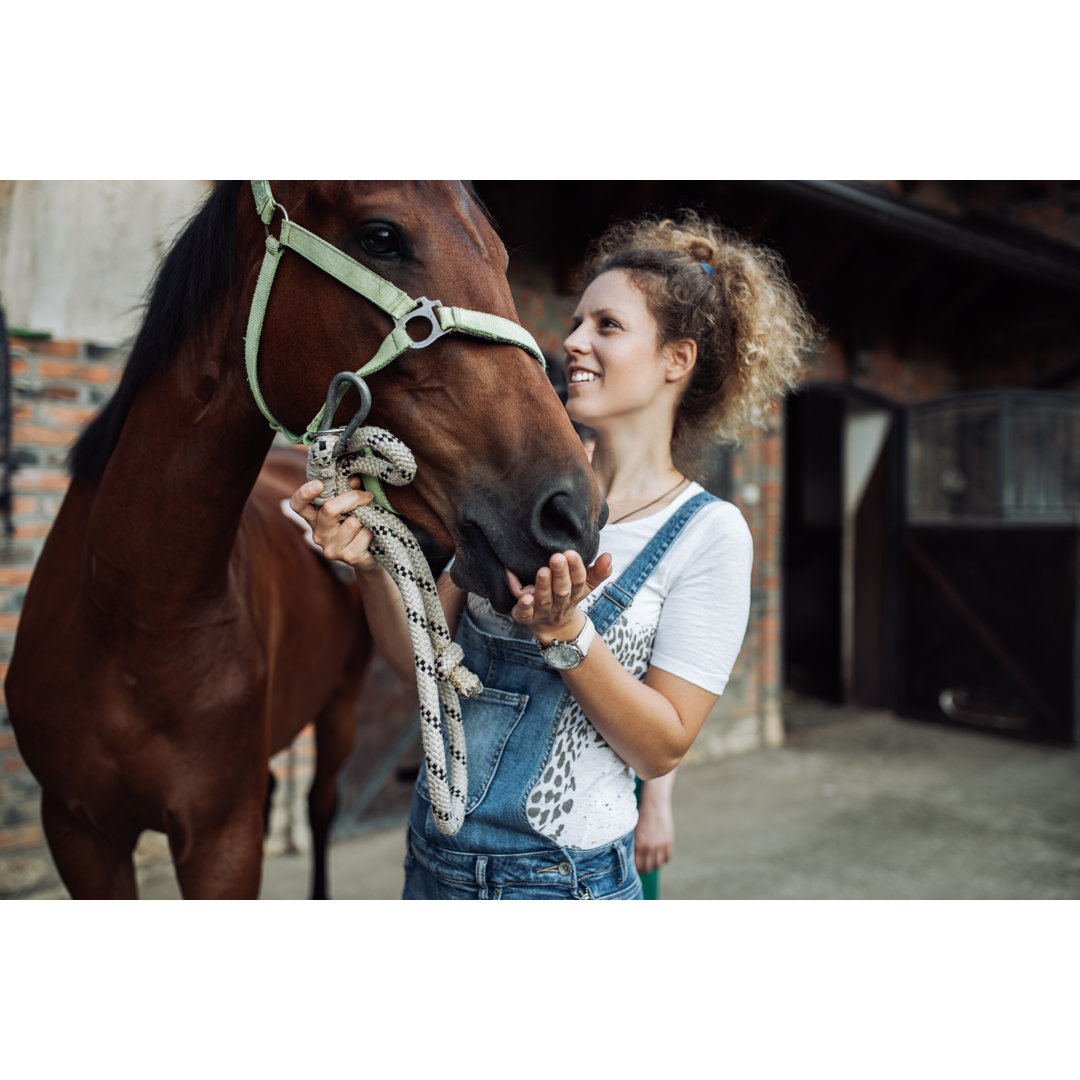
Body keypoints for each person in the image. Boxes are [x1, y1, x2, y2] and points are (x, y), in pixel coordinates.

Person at [290, 210, 817, 899]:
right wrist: (366, 566)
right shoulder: (520, 489)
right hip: (432, 864)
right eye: (575, 323)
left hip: (563, 886)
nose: (573, 342)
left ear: (676, 360)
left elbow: (662, 744)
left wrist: (569, 635)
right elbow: (416, 652)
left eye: (608, 326)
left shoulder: (709, 534)